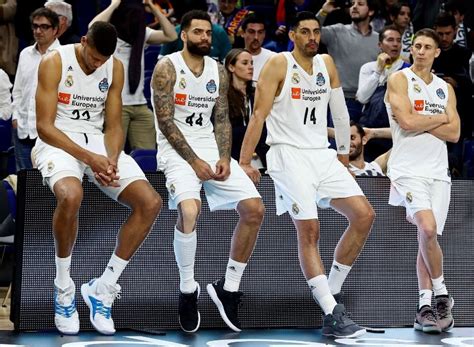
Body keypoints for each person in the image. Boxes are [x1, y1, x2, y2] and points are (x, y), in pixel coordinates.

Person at [239, 11, 375, 338]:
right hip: (287, 154)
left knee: (364, 215)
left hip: (322, 154)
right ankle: (332, 311)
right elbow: (258, 116)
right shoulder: (278, 64)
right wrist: (245, 161)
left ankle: (332, 295)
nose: (312, 37)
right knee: (310, 231)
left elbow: (341, 114)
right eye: (305, 32)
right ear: (293, 36)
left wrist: (343, 156)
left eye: (316, 31)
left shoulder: (326, 63)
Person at [34, 21, 162, 335]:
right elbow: (44, 127)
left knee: (151, 203)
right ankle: (63, 287)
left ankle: (103, 287)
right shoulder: (55, 62)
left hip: (95, 141)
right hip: (58, 141)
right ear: (83, 42)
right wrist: (90, 159)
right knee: (71, 195)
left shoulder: (113, 67)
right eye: (94, 58)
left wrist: (112, 159)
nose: (98, 65)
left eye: (103, 60)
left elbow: (115, 125)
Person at [152, 10, 264, 333]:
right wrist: (193, 162)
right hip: (176, 150)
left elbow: (222, 119)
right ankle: (188, 290)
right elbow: (165, 121)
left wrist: (225, 157)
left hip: (211, 148)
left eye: (207, 33)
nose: (204, 37)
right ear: (183, 35)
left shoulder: (218, 70)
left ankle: (227, 288)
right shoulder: (166, 67)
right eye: (197, 32)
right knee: (190, 210)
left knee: (255, 209)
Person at [385, 28, 460, 333]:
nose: (420, 51)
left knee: (426, 239)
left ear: (436, 52)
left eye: (427, 47)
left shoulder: (445, 88)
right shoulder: (400, 79)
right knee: (427, 228)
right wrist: (441, 118)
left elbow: (455, 135)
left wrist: (425, 121)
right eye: (416, 46)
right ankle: (442, 293)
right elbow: (406, 122)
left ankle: (424, 307)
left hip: (438, 172)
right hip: (408, 170)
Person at [90, 0, 177, 151]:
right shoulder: (110, 34)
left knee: (147, 156)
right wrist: (114, 5)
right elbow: (92, 27)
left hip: (140, 106)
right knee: (113, 154)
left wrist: (153, 8)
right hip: (116, 106)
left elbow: (171, 35)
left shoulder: (141, 33)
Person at [11, 7, 60, 172]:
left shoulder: (64, 56)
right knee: (23, 183)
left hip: (49, 133)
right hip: (23, 129)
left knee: (47, 182)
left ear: (55, 30)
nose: (38, 31)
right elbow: (17, 90)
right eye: (35, 26)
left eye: (44, 27)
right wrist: (16, 117)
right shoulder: (25, 54)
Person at [316, 0, 379, 121]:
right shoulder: (337, 31)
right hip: (341, 98)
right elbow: (310, 32)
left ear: (371, 11)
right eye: (352, 4)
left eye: (360, 4)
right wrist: (323, 12)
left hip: (370, 102)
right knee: (338, 140)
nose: (354, 7)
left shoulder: (379, 39)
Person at [356, 25, 410, 161]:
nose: (395, 44)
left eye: (398, 40)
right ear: (380, 44)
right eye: (390, 40)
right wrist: (378, 71)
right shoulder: (368, 68)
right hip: (369, 132)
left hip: (395, 131)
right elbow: (362, 98)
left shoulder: (408, 71)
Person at [225, 48, 268, 167]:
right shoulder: (222, 97)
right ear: (231, 67)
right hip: (233, 159)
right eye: (245, 63)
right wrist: (253, 131)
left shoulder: (257, 94)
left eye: (251, 63)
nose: (250, 67)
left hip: (261, 157)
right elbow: (223, 133)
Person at [240, 13, 276, 82]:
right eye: (251, 32)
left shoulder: (274, 59)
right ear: (242, 33)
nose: (256, 37)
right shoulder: (234, 59)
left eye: (260, 32)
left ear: (264, 34)